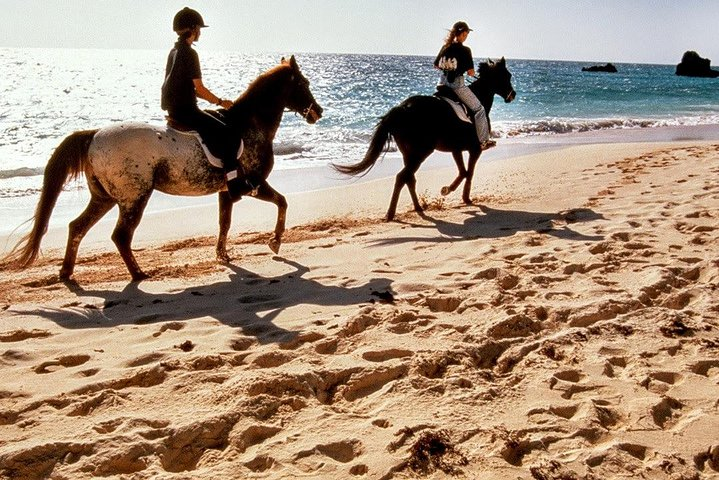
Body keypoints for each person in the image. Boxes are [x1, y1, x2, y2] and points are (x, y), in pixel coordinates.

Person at [161, 7, 250, 199]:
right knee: (229, 134)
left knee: (215, 119)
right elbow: (199, 88)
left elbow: (186, 87)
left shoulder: (174, 51)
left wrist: (213, 101)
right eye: (199, 28)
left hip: (174, 109)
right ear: (192, 29)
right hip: (187, 111)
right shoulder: (190, 53)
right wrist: (220, 101)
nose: (200, 32)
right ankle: (233, 184)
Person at [434, 21, 495, 150]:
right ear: (461, 34)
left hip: (441, 85)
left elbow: (436, 65)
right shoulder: (465, 50)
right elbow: (471, 72)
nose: (466, 36)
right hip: (457, 86)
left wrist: (448, 67)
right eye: (466, 33)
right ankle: (484, 141)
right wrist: (468, 73)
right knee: (479, 109)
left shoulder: (445, 47)